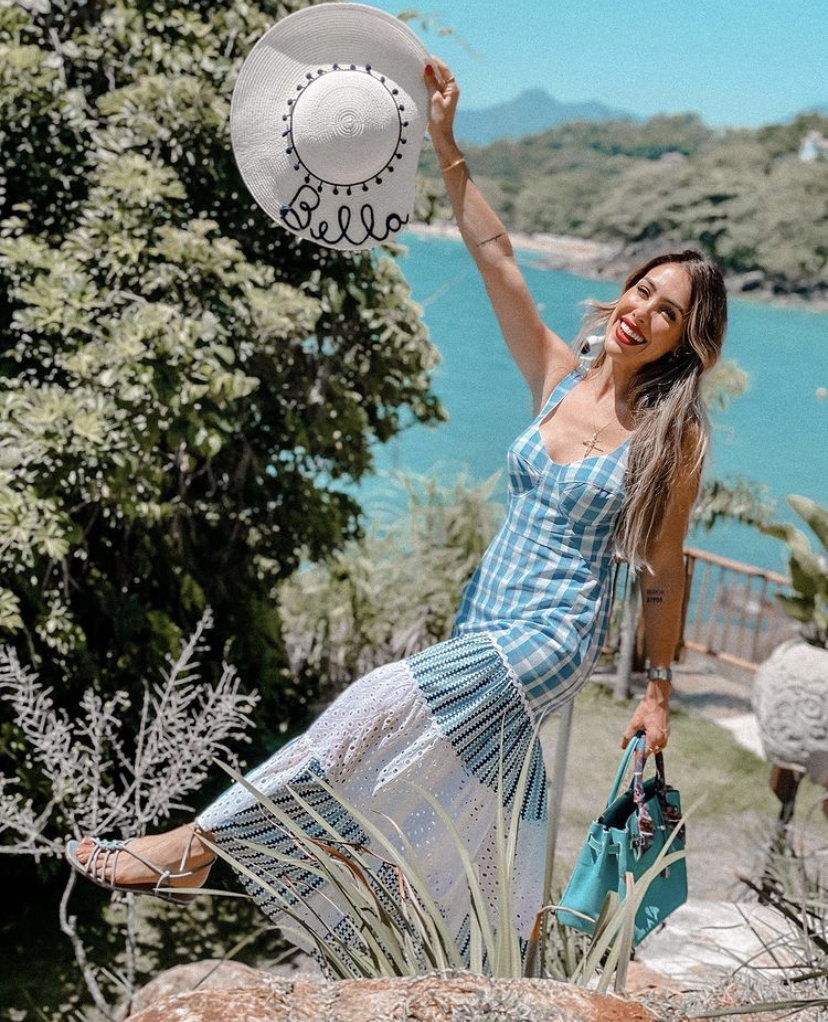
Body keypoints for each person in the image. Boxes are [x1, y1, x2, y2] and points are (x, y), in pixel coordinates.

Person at [65, 56, 727, 960]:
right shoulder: (557, 376)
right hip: (484, 616)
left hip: (552, 635)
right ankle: (480, 952)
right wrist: (446, 144)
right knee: (470, 800)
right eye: (643, 289)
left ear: (685, 341)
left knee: (378, 700)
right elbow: (497, 258)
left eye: (668, 312)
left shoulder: (669, 439)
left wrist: (657, 692)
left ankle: (196, 847)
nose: (642, 311)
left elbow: (662, 571)